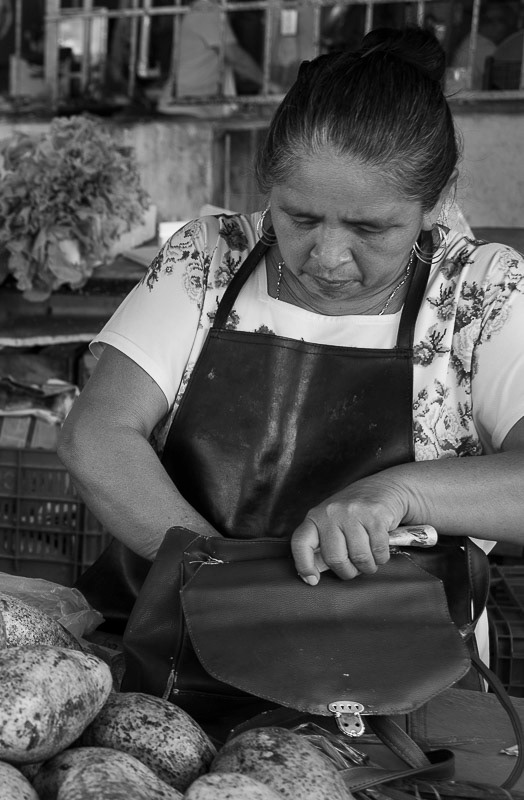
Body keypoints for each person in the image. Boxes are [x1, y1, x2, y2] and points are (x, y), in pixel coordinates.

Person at [59, 28, 524, 639]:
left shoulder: (484, 290)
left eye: (371, 229)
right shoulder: (209, 259)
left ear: (437, 201)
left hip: (396, 661)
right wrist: (222, 579)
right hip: (178, 636)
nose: (328, 256)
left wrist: (398, 493)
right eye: (300, 218)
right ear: (266, 182)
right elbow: (96, 434)